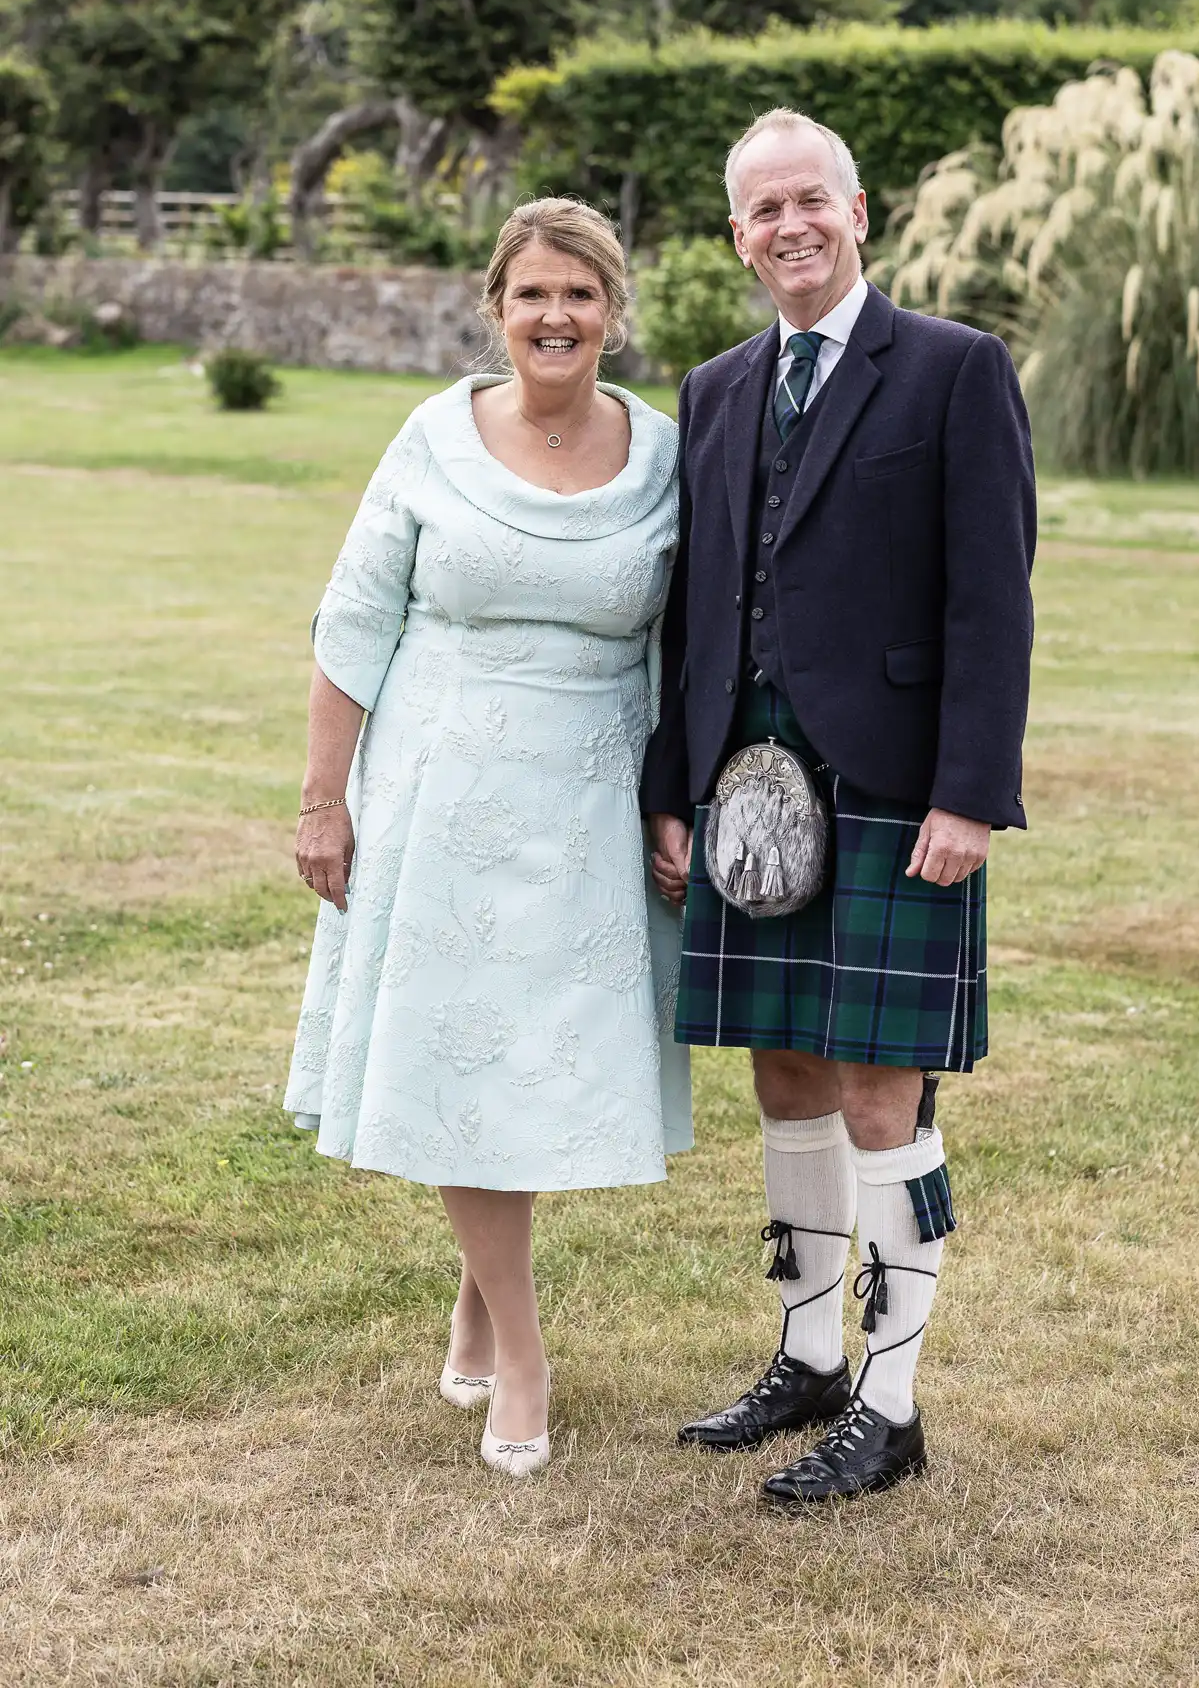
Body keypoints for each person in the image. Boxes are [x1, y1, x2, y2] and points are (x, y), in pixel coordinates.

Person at [642, 108, 1035, 1507]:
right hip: (745, 787)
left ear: (858, 211)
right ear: (737, 235)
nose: (789, 227)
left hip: (890, 789)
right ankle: (807, 1354)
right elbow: (695, 610)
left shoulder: (950, 369)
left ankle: (894, 1397)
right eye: (762, 210)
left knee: (884, 1090)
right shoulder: (717, 387)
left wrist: (970, 793)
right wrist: (675, 790)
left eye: (811, 200)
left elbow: (993, 597)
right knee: (783, 1071)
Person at [286, 197, 691, 1480]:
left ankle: (477, 1288)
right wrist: (322, 799)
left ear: (612, 312)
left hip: (589, 803)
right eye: (531, 294)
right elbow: (355, 621)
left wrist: (677, 798)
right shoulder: (431, 438)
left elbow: (691, 647)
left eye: (578, 293)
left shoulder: (667, 453)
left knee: (540, 1063)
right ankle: (521, 1346)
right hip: (440, 789)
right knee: (465, 1067)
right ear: (495, 310)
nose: (554, 316)